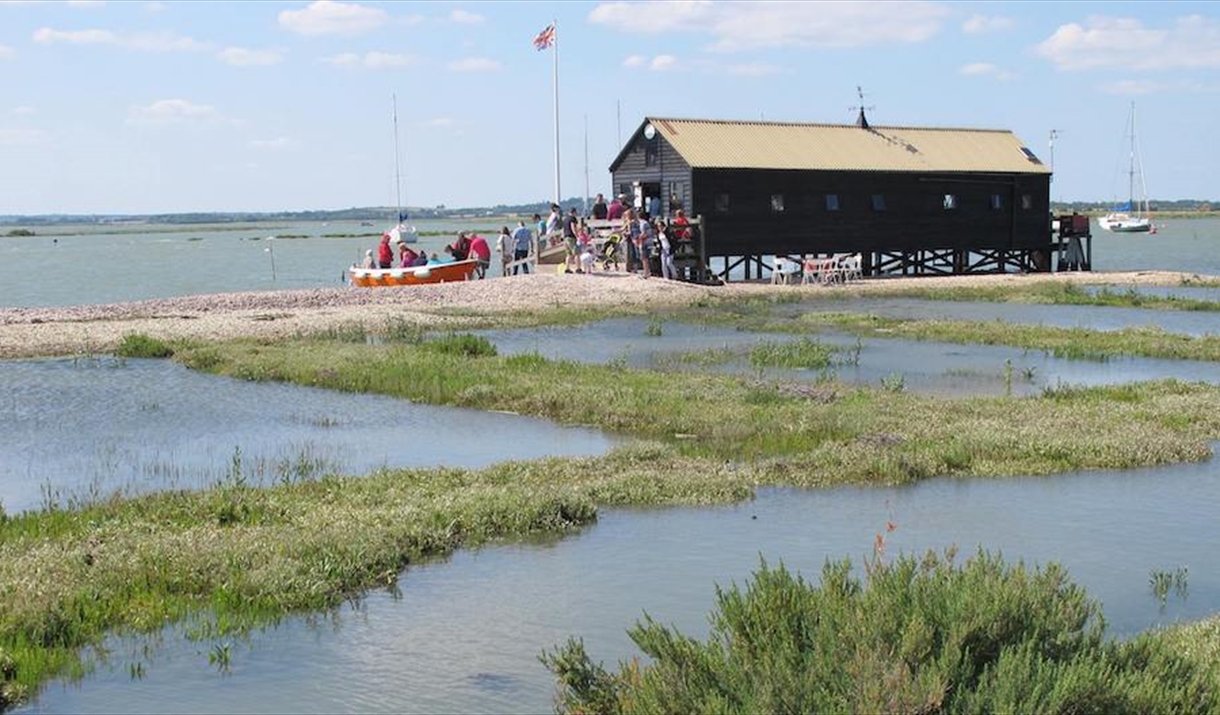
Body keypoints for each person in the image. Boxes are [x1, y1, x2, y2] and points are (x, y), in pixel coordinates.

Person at [562, 207, 580, 273]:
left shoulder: (565, 219)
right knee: (577, 253)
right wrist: (577, 236)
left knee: (568, 254)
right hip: (571, 237)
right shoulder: (572, 218)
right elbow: (573, 227)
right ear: (574, 212)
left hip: (566, 237)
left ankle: (567, 268)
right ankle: (578, 268)